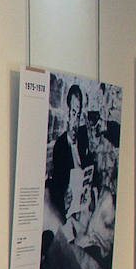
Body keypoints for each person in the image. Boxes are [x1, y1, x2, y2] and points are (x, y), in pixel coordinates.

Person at [48, 84, 94, 222]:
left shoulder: (83, 138)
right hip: (68, 216)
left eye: (78, 115)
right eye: (73, 113)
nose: (76, 120)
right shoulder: (60, 146)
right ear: (67, 113)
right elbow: (56, 189)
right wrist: (63, 198)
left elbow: (90, 170)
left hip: (84, 211)